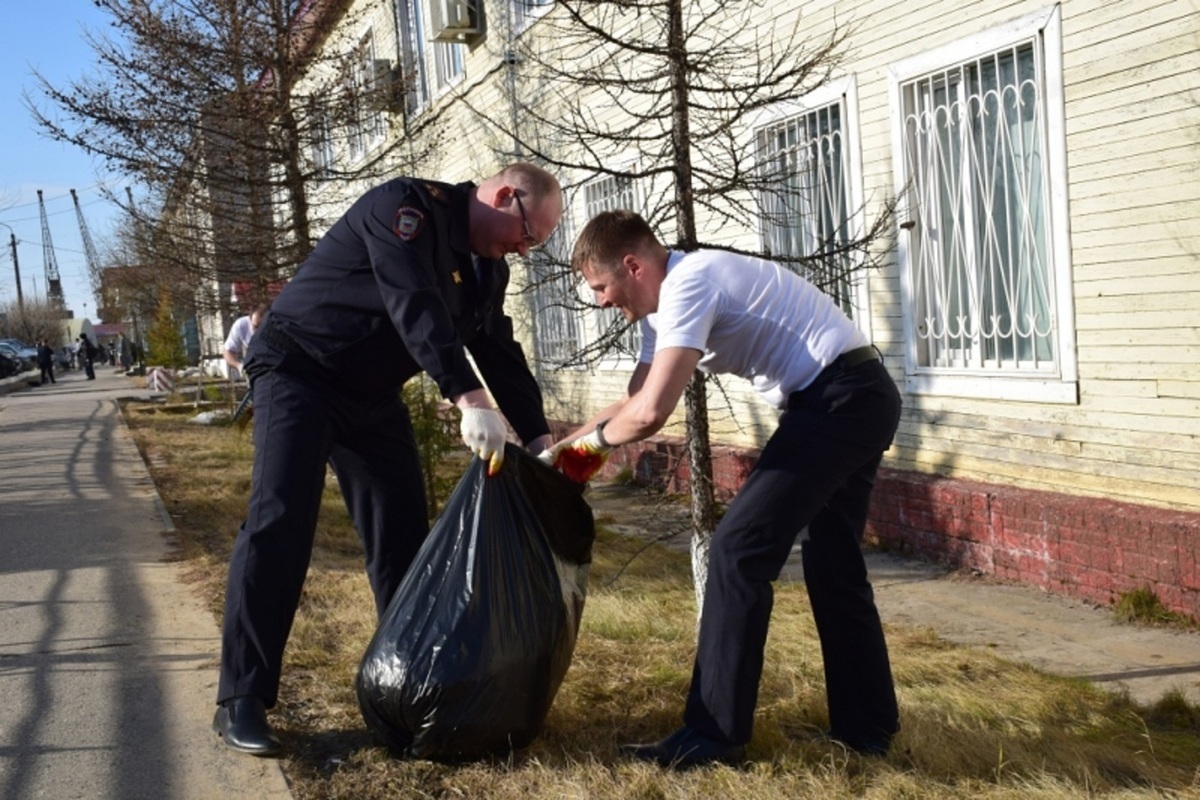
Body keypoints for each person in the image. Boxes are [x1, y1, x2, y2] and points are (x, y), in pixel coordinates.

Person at [212, 162, 564, 757]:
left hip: (370, 394)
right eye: (528, 236)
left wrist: (538, 444)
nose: (525, 250)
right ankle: (241, 699)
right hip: (299, 368)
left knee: (403, 536)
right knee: (280, 522)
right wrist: (466, 395)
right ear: (506, 196)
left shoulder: (487, 268)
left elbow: (499, 350)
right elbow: (412, 301)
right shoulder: (405, 209)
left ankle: (407, 689)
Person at [546, 210, 903, 768]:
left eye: (601, 286)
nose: (599, 301)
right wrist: (561, 450)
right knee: (833, 564)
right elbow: (632, 401)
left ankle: (712, 736)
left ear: (633, 266)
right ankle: (868, 729)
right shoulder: (660, 307)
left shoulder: (691, 282)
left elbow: (651, 415)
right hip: (851, 397)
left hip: (840, 400)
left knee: (737, 551)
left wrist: (591, 449)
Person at [222, 303, 268, 376]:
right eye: (256, 327)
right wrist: (239, 366)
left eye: (263, 327)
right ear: (250, 320)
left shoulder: (278, 326)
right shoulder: (241, 326)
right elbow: (228, 350)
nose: (259, 331)